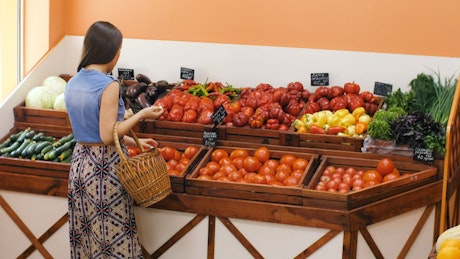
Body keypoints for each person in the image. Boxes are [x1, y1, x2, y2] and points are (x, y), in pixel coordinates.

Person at [64, 21, 163, 258]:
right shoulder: (109, 85)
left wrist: (132, 142)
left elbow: (90, 132)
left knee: (87, 237)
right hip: (103, 170)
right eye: (119, 49)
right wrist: (141, 114)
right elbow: (107, 135)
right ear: (111, 51)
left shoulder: (72, 82)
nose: (119, 54)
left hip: (79, 165)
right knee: (112, 238)